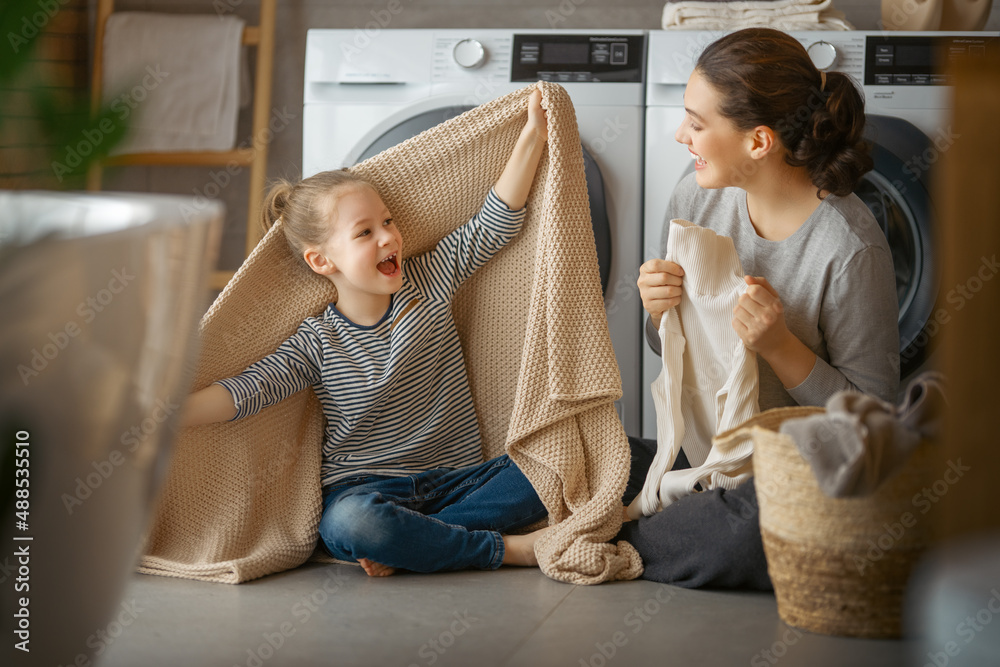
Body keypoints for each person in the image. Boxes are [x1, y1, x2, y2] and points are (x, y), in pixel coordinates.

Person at [180, 89, 550, 578]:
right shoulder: (316, 341)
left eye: (388, 222)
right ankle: (504, 549)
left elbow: (493, 224)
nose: (388, 237)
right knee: (354, 525)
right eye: (365, 232)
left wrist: (532, 136)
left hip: (462, 481)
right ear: (321, 260)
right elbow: (244, 392)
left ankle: (419, 542)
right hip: (365, 492)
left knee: (602, 454)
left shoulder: (429, 281)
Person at [618, 28, 900, 589]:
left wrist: (780, 347)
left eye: (697, 124)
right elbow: (671, 341)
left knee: (748, 537)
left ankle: (601, 532)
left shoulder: (849, 248)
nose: (681, 135)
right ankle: (425, 511)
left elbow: (875, 427)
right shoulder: (695, 195)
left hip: (788, 480)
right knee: (570, 445)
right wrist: (658, 313)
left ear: (759, 142)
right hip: (698, 458)